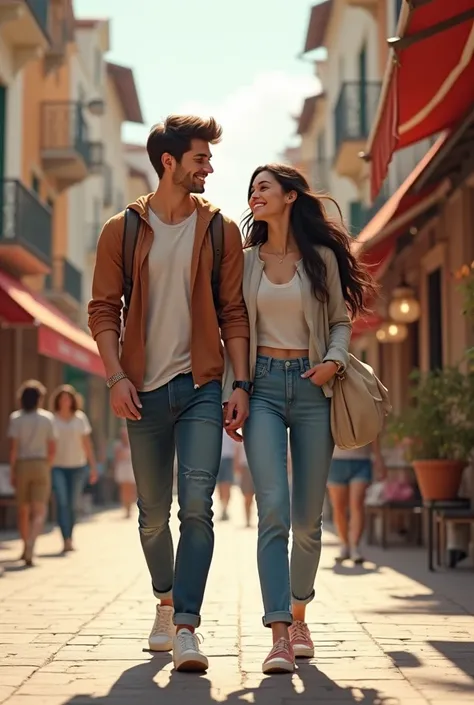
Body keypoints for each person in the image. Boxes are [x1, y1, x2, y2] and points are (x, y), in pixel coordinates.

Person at [88, 115, 250, 672]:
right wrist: (115, 377)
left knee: (199, 508)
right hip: (142, 390)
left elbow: (234, 311)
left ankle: (186, 625)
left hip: (202, 386)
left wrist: (240, 384)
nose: (209, 167)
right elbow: (104, 310)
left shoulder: (221, 229)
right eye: (201, 158)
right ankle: (163, 601)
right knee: (152, 513)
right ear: (169, 163)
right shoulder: (123, 229)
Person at [226, 163, 376, 674]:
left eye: (263, 187)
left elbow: (339, 319)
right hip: (263, 387)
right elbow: (237, 328)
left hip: (314, 387)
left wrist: (333, 361)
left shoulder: (323, 259)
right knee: (273, 509)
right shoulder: (244, 262)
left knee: (309, 520)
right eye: (250, 190)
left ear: (291, 197)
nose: (254, 195)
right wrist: (240, 387)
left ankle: (299, 613)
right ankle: (278, 634)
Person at [8, 380, 56, 566]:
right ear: (39, 399)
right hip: (41, 464)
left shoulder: (16, 418)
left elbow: (13, 449)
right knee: (40, 509)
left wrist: (13, 471)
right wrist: (48, 465)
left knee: (23, 509)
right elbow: (52, 447)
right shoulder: (47, 419)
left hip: (22, 465)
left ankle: (24, 546)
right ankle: (31, 544)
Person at [50, 385, 98, 553]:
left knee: (72, 504)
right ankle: (65, 539)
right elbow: (49, 446)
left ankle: (70, 536)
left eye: (68, 398)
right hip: (57, 467)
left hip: (78, 467)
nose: (65, 401)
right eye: (62, 398)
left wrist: (93, 467)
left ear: (73, 400)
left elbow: (87, 444)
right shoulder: (52, 419)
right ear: (58, 401)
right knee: (62, 503)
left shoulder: (80, 419)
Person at [328, 441, 386, 564]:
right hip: (336, 460)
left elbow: (373, 433)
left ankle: (355, 547)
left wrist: (378, 457)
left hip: (362, 460)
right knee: (339, 507)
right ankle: (345, 545)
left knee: (357, 504)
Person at [114, 425, 136, 518]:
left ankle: (130, 508)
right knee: (124, 488)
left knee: (131, 489)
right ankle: (125, 507)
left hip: (130, 467)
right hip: (122, 467)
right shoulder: (118, 445)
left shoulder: (132, 444)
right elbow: (117, 458)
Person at [233, 440, 254, 528]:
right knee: (247, 497)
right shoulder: (241, 436)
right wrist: (236, 466)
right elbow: (237, 452)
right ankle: (248, 519)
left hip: (259, 467)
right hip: (245, 467)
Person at [216, 431, 235, 521]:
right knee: (219, 486)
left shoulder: (232, 428)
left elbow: (236, 447)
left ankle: (225, 508)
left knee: (227, 486)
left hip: (228, 459)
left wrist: (236, 463)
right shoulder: (215, 428)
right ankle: (222, 508)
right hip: (217, 458)